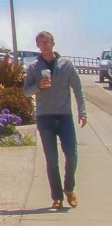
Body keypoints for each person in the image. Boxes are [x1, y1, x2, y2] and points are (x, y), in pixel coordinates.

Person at [24, 31, 87, 209]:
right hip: (45, 118)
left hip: (65, 116)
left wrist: (82, 111)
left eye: (47, 42)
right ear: (37, 45)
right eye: (40, 42)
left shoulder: (66, 64)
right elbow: (26, 91)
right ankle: (57, 196)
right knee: (51, 160)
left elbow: (78, 89)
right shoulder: (33, 67)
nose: (44, 45)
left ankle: (69, 188)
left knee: (72, 155)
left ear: (53, 43)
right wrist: (39, 86)